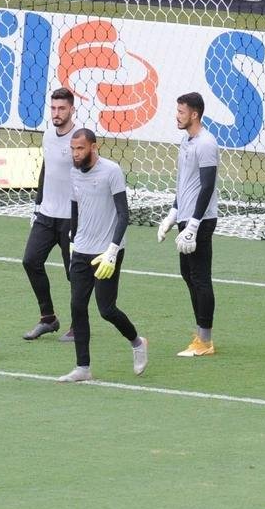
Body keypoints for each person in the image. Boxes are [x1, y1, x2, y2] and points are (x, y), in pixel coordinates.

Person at [58, 128, 148, 382]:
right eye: (73, 149)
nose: (76, 154)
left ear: (94, 147)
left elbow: (123, 214)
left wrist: (112, 251)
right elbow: (75, 206)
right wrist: (73, 241)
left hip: (106, 251)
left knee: (106, 309)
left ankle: (137, 342)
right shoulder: (73, 172)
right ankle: (83, 368)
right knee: (77, 307)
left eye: (80, 149)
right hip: (82, 250)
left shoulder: (111, 171)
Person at [157, 92, 219, 357]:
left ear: (194, 114)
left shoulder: (206, 143)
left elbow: (207, 186)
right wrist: (174, 213)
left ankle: (205, 341)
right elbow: (185, 183)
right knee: (188, 275)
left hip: (201, 220)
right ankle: (200, 333)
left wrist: (193, 224)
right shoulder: (186, 141)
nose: (177, 116)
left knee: (200, 277)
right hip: (187, 217)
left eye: (181, 112)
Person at [21, 88, 77, 342]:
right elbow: (47, 168)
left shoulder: (80, 139)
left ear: (71, 110)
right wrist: (37, 204)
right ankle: (48, 319)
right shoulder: (48, 137)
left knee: (74, 274)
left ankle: (79, 325)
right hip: (46, 214)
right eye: (53, 108)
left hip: (71, 218)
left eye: (61, 108)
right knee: (30, 261)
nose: (56, 113)